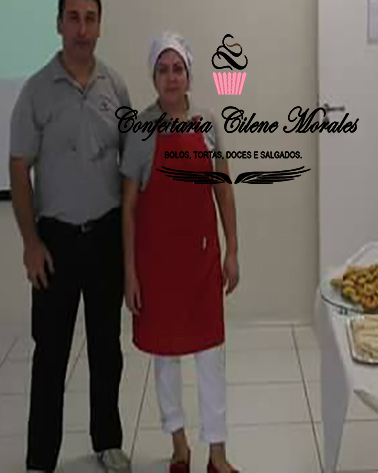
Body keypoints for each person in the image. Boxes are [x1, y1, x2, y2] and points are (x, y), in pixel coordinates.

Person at [9, 0, 132, 472]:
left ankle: (108, 441)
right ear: (59, 24)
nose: (82, 28)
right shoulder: (36, 91)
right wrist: (30, 243)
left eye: (90, 18)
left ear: (100, 25)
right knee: (50, 353)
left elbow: (132, 167)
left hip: (105, 237)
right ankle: (41, 458)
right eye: (74, 18)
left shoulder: (115, 87)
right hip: (55, 242)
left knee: (107, 348)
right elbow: (19, 166)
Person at [121, 33, 240, 473]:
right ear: (153, 76)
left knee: (211, 358)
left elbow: (223, 190)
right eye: (163, 70)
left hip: (201, 261)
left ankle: (217, 455)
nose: (171, 78)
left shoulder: (207, 124)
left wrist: (232, 250)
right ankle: (179, 446)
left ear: (189, 74)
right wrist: (130, 272)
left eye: (178, 69)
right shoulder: (140, 130)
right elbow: (128, 207)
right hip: (156, 266)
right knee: (165, 357)